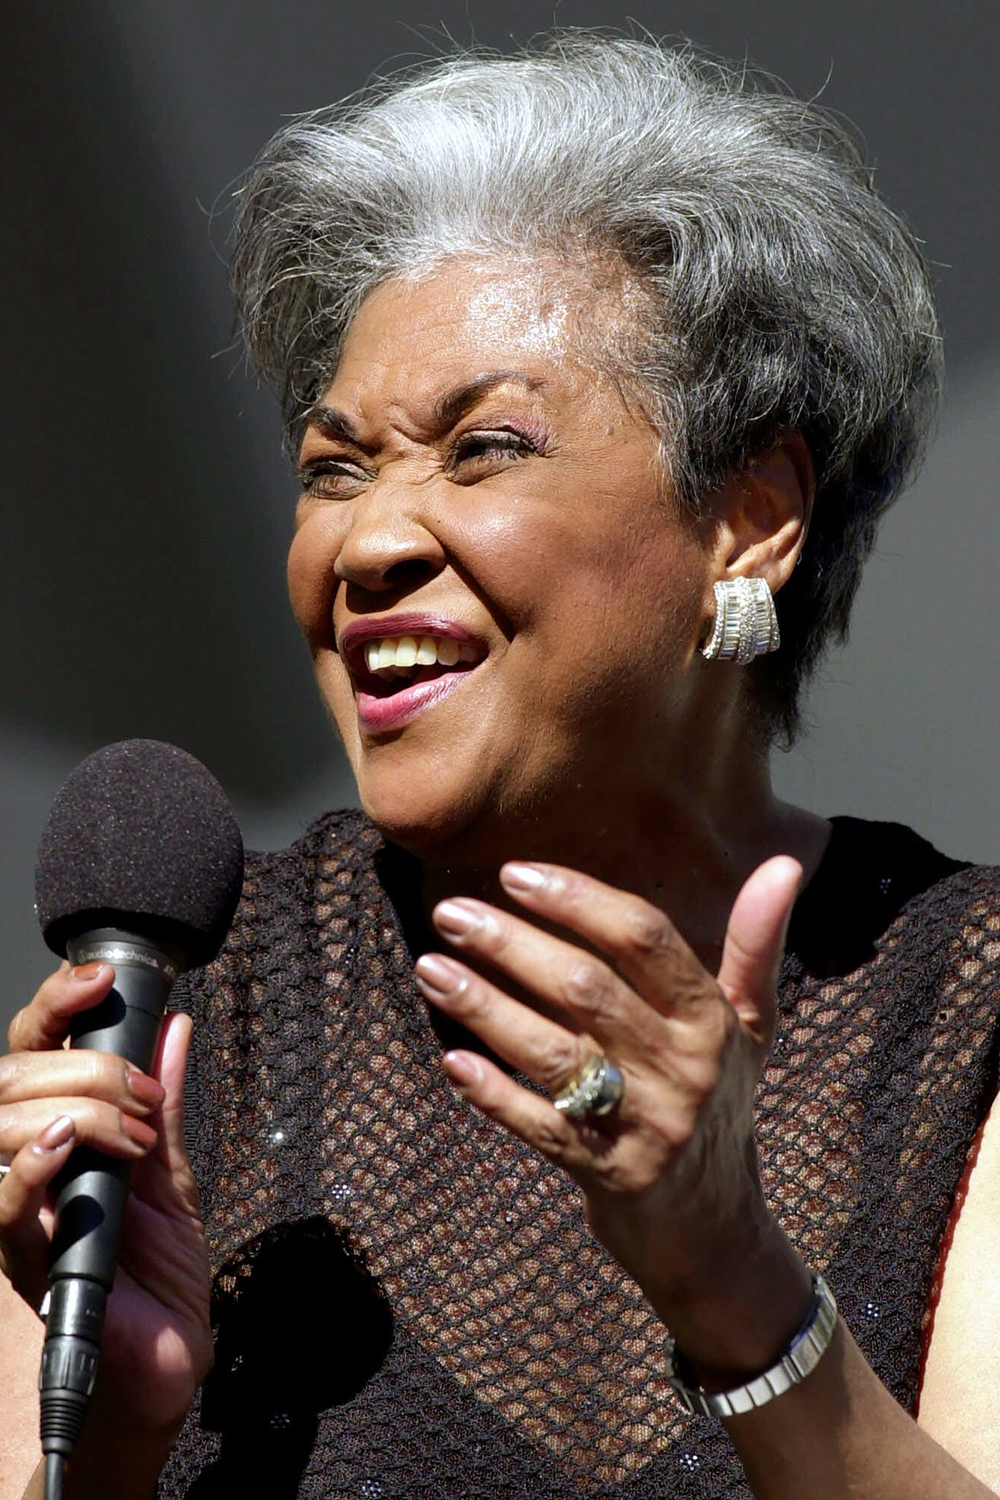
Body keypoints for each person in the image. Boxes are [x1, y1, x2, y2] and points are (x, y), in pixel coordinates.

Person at [1, 32, 999, 1500]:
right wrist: (117, 1442)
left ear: (752, 517)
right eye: (335, 468)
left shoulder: (962, 1013)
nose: (371, 541)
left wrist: (739, 1295)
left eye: (485, 449)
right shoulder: (197, 1029)